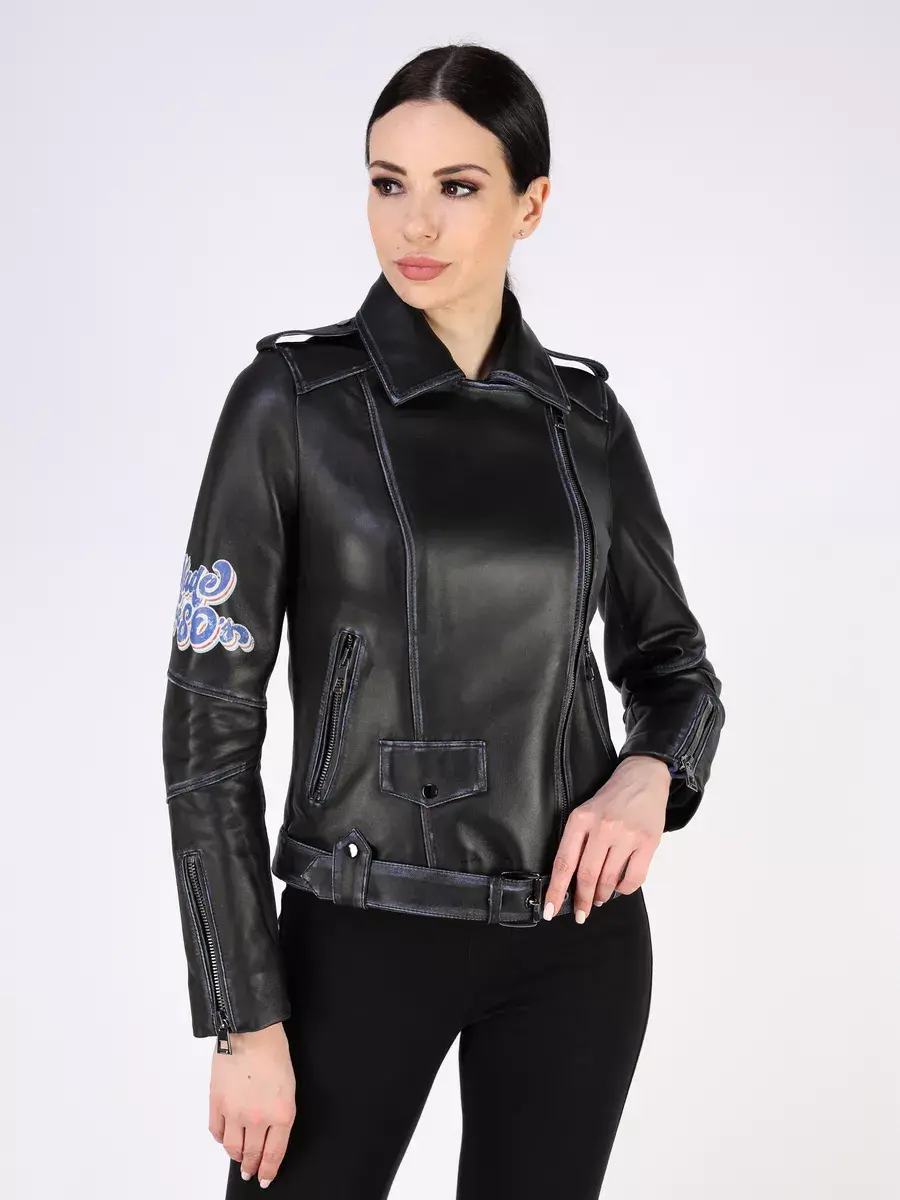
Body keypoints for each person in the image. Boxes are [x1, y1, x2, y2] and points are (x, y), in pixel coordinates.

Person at [162, 41, 725, 1199]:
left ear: (531, 205)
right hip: (358, 932)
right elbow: (206, 733)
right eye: (388, 183)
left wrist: (650, 775)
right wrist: (242, 1016)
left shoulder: (585, 422)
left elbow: (676, 668)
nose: (414, 223)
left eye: (458, 186)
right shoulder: (290, 404)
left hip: (574, 942)